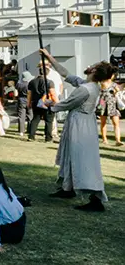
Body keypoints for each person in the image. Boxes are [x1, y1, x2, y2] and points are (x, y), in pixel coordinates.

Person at [39, 49, 110, 212]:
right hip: (81, 122)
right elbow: (67, 75)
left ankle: (95, 199)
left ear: (94, 71)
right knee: (70, 154)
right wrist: (50, 57)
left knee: (82, 158)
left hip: (80, 125)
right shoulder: (89, 85)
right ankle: (67, 188)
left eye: (93, 65)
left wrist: (51, 105)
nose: (89, 65)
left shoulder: (86, 89)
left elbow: (68, 103)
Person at [27, 64, 57, 142]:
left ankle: (31, 136)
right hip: (47, 103)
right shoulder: (50, 82)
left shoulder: (32, 81)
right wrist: (57, 102)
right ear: (47, 73)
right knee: (48, 121)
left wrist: (29, 103)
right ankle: (48, 138)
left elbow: (29, 94)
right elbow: (53, 93)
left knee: (35, 119)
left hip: (36, 102)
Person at [97, 81, 122, 146]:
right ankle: (104, 139)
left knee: (116, 123)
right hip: (103, 103)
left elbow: (117, 93)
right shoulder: (101, 82)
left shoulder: (114, 84)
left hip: (113, 104)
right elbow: (100, 93)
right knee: (103, 122)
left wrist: (116, 91)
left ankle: (118, 140)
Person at [15, 71, 33, 138]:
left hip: (21, 100)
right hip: (29, 100)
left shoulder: (18, 84)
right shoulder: (30, 84)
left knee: (21, 116)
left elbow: (15, 93)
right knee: (30, 115)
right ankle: (30, 129)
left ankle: (21, 131)